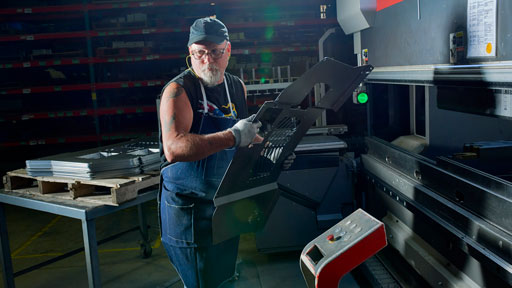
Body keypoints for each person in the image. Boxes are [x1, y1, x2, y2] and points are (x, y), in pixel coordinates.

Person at [158, 17, 261, 288]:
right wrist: (232, 136)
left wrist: (268, 153)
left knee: (224, 279)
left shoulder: (236, 87)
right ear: (190, 54)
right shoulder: (178, 91)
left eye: (215, 51)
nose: (207, 60)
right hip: (189, 211)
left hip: (224, 204)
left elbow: (246, 139)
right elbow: (174, 148)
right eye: (199, 53)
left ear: (228, 51)